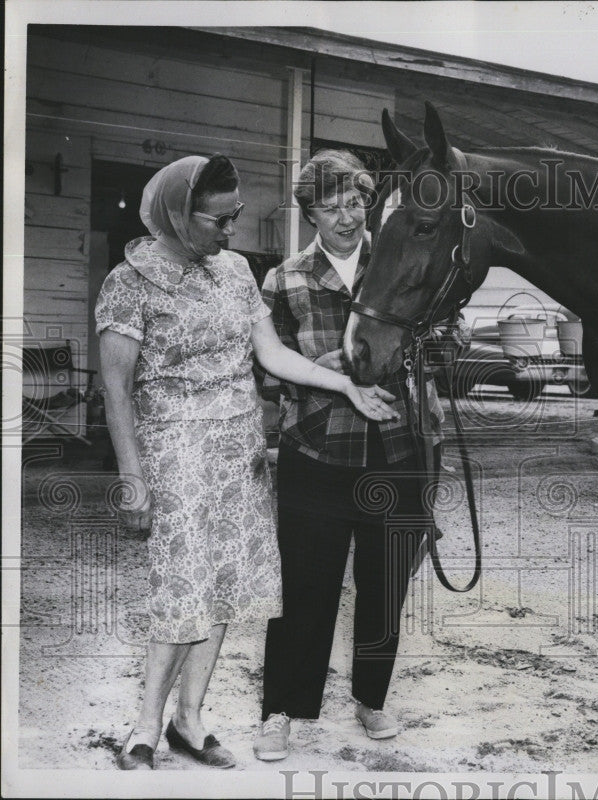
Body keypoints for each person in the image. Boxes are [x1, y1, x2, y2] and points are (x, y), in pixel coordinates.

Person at [97, 154, 396, 771]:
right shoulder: (128, 282)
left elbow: (271, 354)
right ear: (178, 217)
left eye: (234, 218)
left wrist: (343, 386)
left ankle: (190, 719)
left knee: (229, 589)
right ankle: (146, 725)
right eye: (218, 220)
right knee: (183, 589)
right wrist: (131, 474)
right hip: (176, 453)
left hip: (241, 453)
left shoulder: (233, 271)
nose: (231, 231)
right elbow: (116, 390)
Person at [253, 150, 442, 761]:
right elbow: (263, 374)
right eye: (330, 206)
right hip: (316, 454)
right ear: (309, 213)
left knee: (384, 586)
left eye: (356, 202)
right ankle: (281, 709)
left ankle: (371, 697)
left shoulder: (401, 265)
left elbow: (446, 341)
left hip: (396, 453)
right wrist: (325, 369)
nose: (346, 216)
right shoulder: (284, 280)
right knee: (305, 589)